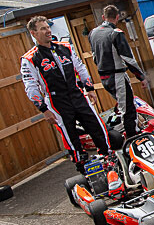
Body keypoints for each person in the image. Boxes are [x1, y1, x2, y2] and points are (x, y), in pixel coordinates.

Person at [21, 16, 111, 172]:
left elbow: (81, 68)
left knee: (96, 125)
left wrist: (89, 88)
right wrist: (43, 109)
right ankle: (81, 163)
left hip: (77, 94)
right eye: (43, 28)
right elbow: (30, 86)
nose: (48, 31)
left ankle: (108, 155)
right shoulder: (29, 58)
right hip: (56, 100)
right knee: (70, 134)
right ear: (33, 33)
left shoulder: (66, 47)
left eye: (48, 27)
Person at [88, 5, 149, 138]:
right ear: (117, 17)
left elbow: (94, 56)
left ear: (103, 17)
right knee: (128, 109)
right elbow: (128, 58)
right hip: (117, 75)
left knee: (124, 106)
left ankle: (132, 130)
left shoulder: (93, 33)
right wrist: (142, 77)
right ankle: (134, 137)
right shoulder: (116, 33)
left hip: (104, 77)